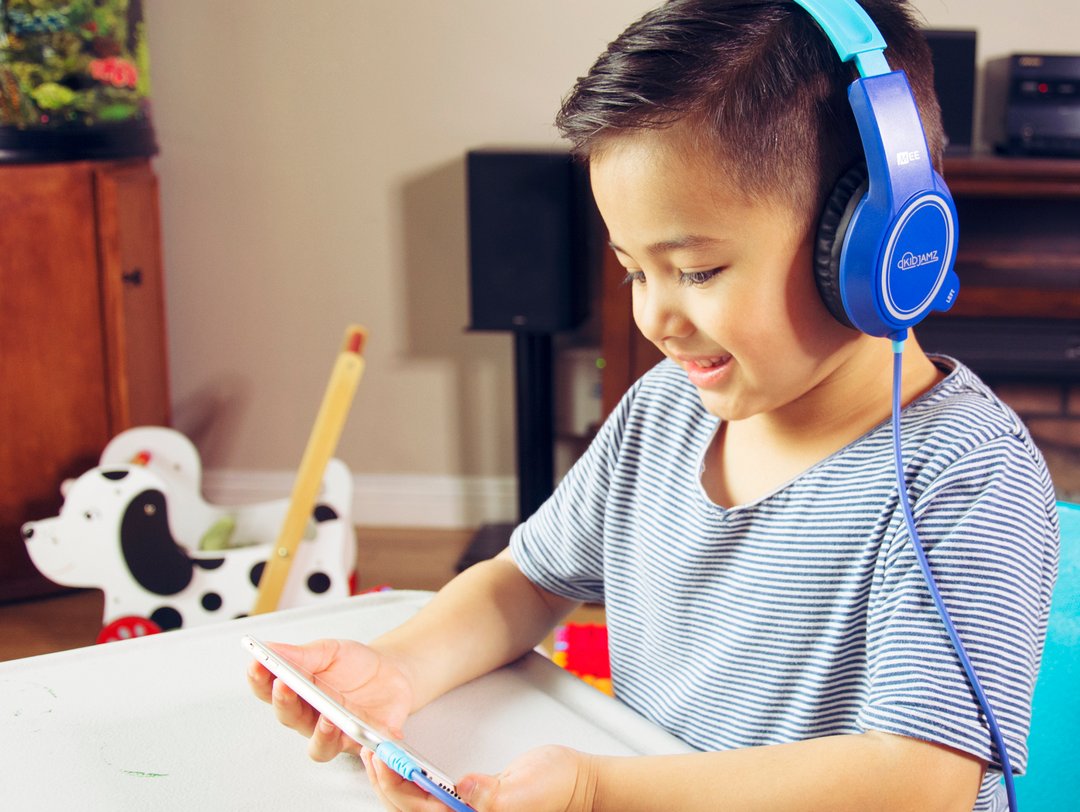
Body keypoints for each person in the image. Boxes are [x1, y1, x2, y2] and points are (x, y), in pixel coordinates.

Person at [247, 1, 1059, 809]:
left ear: (878, 244)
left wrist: (598, 792)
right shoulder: (665, 412)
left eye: (696, 271)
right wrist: (397, 668)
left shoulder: (967, 476)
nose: (654, 318)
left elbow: (918, 783)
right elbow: (526, 582)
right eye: (635, 271)